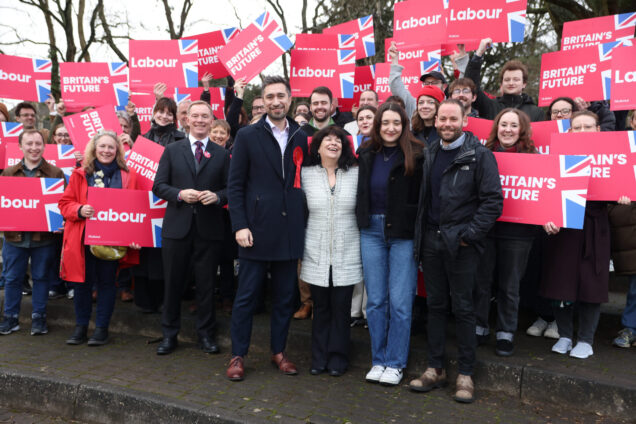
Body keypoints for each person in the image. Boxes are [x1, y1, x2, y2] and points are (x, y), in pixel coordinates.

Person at [409, 99, 503, 403]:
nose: (447, 124)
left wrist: (469, 236)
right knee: (435, 307)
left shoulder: (480, 155)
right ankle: (435, 368)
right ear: (435, 121)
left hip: (461, 245)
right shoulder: (431, 151)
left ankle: (465, 374)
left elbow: (492, 202)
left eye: (453, 119)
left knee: (464, 309)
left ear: (465, 120)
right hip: (432, 242)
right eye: (442, 119)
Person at [226, 75, 309, 381]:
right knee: (246, 297)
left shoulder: (303, 134)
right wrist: (240, 225)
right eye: (270, 96)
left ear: (290, 99)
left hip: (290, 232)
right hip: (255, 232)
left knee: (286, 297)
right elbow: (234, 186)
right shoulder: (247, 136)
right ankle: (238, 355)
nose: (276, 101)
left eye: (281, 96)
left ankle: (279, 351)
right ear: (262, 100)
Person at [541, 110, 631, 359]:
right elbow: (547, 188)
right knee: (561, 283)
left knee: (592, 283)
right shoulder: (557, 155)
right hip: (564, 227)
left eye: (587, 127)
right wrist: (547, 217)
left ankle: (586, 339)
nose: (582, 132)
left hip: (595, 226)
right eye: (577, 127)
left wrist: (622, 195)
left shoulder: (613, 155)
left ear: (598, 130)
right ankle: (565, 335)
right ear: (569, 131)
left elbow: (617, 183)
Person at [152, 100, 230, 355]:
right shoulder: (173, 150)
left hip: (209, 229)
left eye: (204, 117)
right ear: (186, 120)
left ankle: (206, 336)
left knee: (207, 286)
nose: (199, 120)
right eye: (194, 116)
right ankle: (168, 335)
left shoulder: (222, 153)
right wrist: (179, 194)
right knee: (173, 284)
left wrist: (217, 197)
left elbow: (231, 189)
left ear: (211, 120)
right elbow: (158, 186)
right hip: (177, 229)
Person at [356, 102, 423, 386]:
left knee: (400, 302)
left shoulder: (418, 153)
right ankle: (378, 359)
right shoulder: (366, 152)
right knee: (376, 301)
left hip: (402, 234)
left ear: (404, 124)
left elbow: (422, 198)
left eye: (396, 122)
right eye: (385, 123)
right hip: (370, 229)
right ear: (377, 125)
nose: (391, 128)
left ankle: (395, 363)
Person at [59, 131, 140, 346]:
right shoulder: (79, 174)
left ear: (117, 150)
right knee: (82, 284)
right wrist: (79, 209)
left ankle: (101, 329)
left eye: (111, 147)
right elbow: (64, 204)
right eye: (102, 146)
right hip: (83, 239)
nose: (106, 151)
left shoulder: (128, 176)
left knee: (107, 284)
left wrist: (135, 235)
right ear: (94, 149)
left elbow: (136, 209)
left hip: (113, 240)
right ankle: (81, 327)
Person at [474, 109, 539, 356]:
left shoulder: (535, 158)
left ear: (521, 129)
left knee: (510, 286)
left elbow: (543, 195)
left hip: (519, 234)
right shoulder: (483, 155)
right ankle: (479, 326)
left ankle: (505, 332)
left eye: (513, 125)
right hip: (486, 229)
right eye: (503, 124)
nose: (508, 129)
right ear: (496, 127)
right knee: (481, 281)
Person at [301, 125, 361, 376]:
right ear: (318, 145)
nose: (333, 143)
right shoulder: (305, 174)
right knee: (321, 306)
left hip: (348, 250)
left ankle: (338, 358)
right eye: (328, 139)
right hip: (315, 248)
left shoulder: (356, 173)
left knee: (341, 307)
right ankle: (319, 357)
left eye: (338, 139)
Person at [0, 129, 65, 336]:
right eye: (29, 144)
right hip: (14, 239)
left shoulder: (55, 173)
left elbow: (62, 205)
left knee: (41, 277)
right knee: (12, 279)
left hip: (43, 239)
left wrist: (60, 221)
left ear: (44, 146)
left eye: (38, 144)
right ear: (20, 147)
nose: (34, 148)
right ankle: (10, 318)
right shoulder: (8, 173)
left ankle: (39, 317)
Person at [465, 38, 544, 122]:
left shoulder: (537, 112)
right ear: (501, 83)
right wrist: (479, 54)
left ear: (524, 84)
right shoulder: (490, 106)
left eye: (516, 80)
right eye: (507, 79)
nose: (511, 83)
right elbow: (470, 86)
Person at [349, 105, 376, 327]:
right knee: (356, 264)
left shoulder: (381, 146)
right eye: (361, 118)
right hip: (353, 211)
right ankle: (354, 311)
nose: (365, 121)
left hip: (372, 213)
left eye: (369, 117)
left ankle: (368, 312)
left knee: (370, 268)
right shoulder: (350, 145)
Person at [209, 119, 238, 313]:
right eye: (215, 132)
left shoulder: (232, 156)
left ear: (228, 137)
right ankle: (206, 297)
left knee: (227, 257)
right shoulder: (201, 153)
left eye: (223, 133)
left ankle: (227, 297)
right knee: (207, 258)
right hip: (206, 213)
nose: (219, 136)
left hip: (227, 214)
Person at [388, 41, 448, 121]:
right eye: (426, 83)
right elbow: (396, 87)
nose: (430, 85)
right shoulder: (414, 104)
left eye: (435, 83)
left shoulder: (450, 105)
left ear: (444, 86)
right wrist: (395, 60)